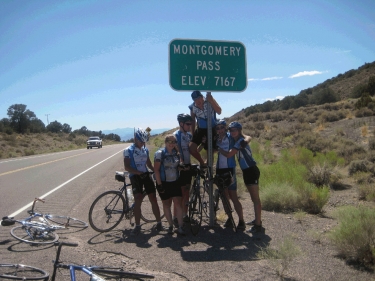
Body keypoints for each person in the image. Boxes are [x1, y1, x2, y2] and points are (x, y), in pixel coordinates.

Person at [217, 121, 264, 234]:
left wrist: (219, 149)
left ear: (239, 130)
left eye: (235, 130)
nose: (232, 132)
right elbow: (248, 137)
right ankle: (257, 220)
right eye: (231, 130)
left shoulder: (239, 142)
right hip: (246, 171)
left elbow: (229, 154)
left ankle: (258, 225)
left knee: (255, 198)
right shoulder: (235, 140)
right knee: (254, 198)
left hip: (251, 170)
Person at [123, 128, 162, 236]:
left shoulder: (145, 149)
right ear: (135, 139)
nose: (142, 144)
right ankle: (137, 226)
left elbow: (148, 164)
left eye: (144, 142)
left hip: (145, 175)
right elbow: (127, 167)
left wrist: (156, 172)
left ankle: (159, 223)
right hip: (135, 177)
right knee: (138, 199)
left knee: (153, 198)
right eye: (141, 141)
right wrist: (138, 172)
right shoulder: (128, 150)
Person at [215, 119, 246, 231]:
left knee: (233, 196)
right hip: (219, 169)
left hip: (230, 169)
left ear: (225, 128)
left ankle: (241, 221)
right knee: (224, 196)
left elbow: (243, 137)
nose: (220, 130)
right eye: (217, 128)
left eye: (222, 127)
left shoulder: (231, 137)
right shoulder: (217, 139)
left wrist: (247, 138)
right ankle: (230, 218)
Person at [154, 134, 186, 235]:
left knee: (178, 203)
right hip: (163, 182)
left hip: (175, 181)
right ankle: (170, 225)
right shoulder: (160, 153)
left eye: (174, 142)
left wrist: (181, 164)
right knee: (166, 204)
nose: (172, 144)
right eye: (170, 142)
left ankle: (180, 227)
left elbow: (180, 164)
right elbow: (156, 170)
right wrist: (159, 185)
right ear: (166, 142)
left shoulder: (176, 153)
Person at [189, 90, 222, 166]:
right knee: (191, 148)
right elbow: (193, 120)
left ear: (201, 97)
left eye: (198, 98)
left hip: (212, 128)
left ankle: (209, 171)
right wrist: (193, 133)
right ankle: (202, 163)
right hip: (200, 130)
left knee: (210, 152)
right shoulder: (192, 107)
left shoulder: (209, 100)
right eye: (195, 99)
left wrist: (212, 101)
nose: (197, 101)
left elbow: (219, 111)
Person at [173, 114, 194, 224]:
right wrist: (181, 163)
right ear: (181, 124)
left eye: (190, 124)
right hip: (180, 169)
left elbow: (191, 150)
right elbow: (177, 151)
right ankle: (176, 217)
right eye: (187, 124)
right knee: (179, 195)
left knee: (186, 192)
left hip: (188, 167)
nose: (190, 126)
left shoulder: (189, 135)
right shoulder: (176, 135)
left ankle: (185, 215)